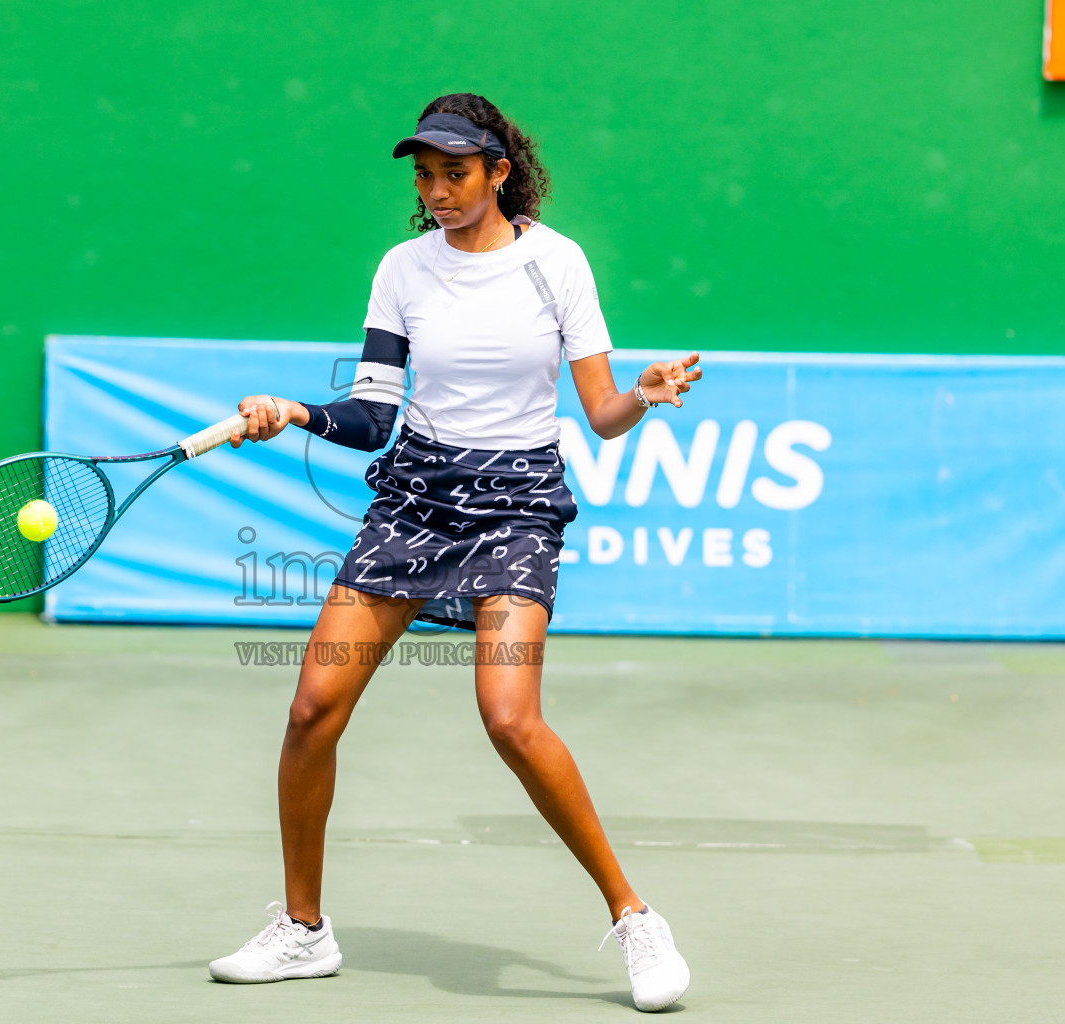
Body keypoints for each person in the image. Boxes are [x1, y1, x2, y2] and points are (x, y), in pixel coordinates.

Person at [209, 92, 702, 1013]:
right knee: (314, 705)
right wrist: (294, 412)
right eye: (425, 175)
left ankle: (635, 918)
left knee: (510, 717)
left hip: (515, 505)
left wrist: (644, 392)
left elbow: (600, 418)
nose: (437, 191)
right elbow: (369, 415)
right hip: (416, 500)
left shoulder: (557, 265)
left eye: (455, 173)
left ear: (499, 171)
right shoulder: (402, 270)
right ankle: (303, 931)